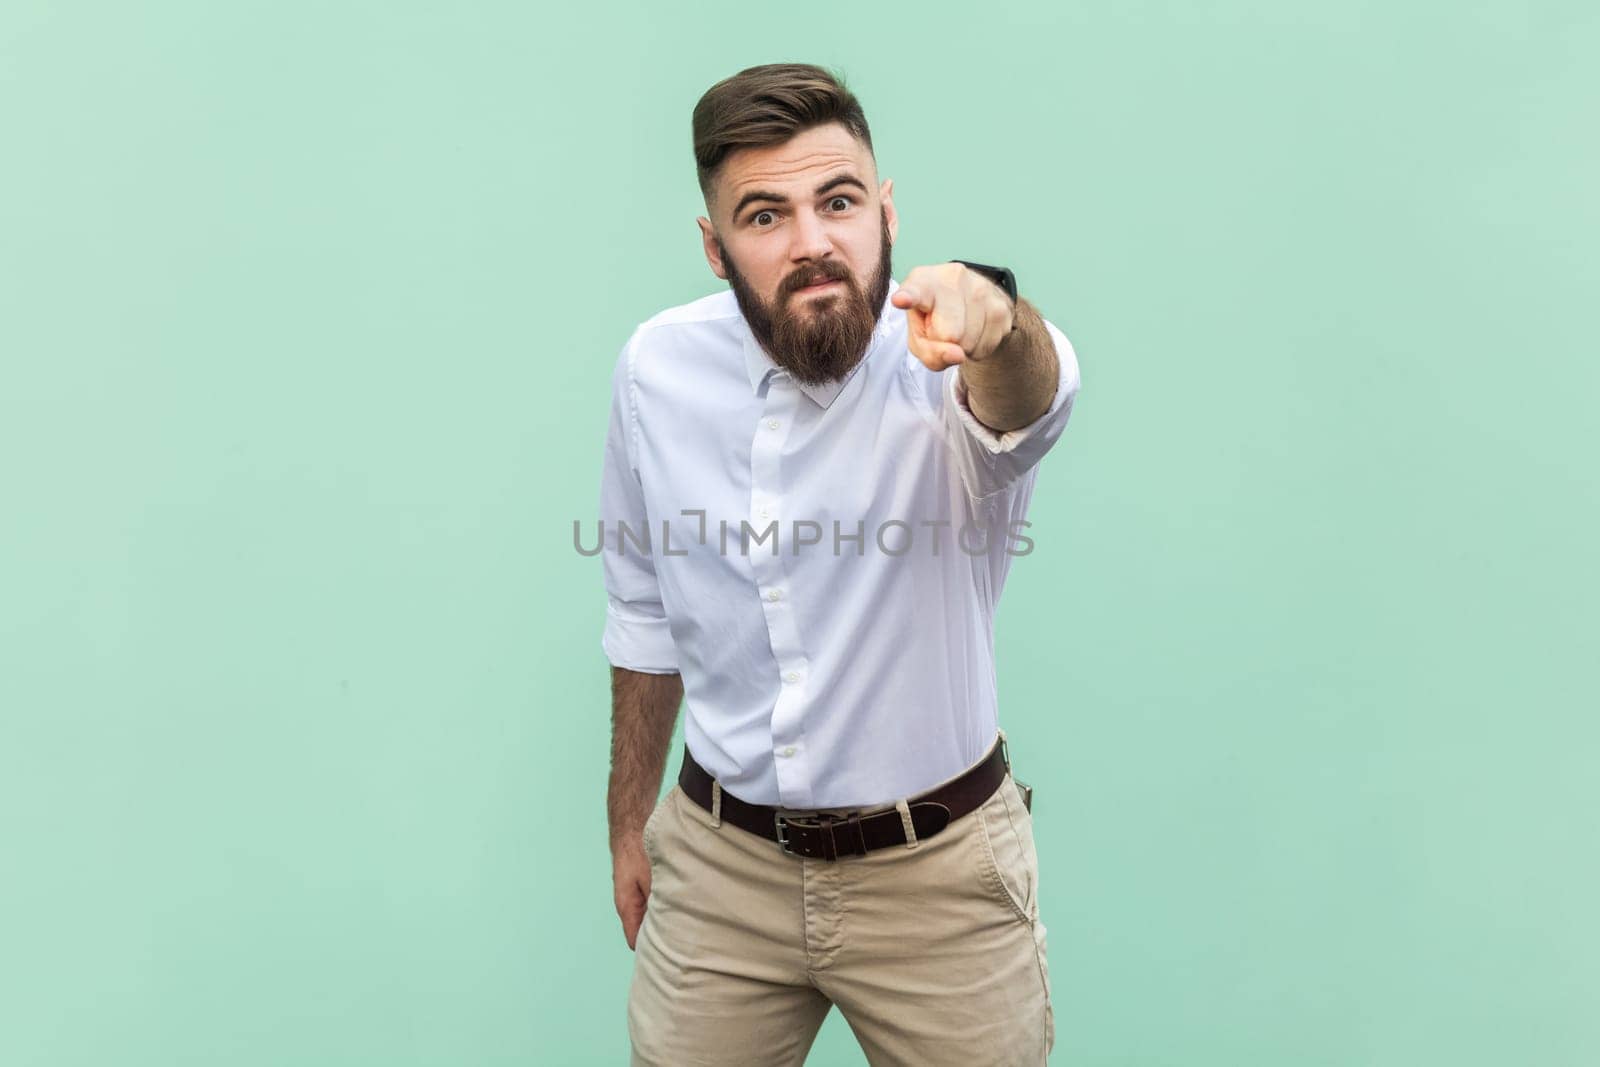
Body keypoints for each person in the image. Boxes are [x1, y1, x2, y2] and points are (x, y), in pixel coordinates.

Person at [598, 62, 1082, 1065]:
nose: (814, 241)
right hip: (720, 865)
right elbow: (643, 606)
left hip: (937, 878)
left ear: (884, 208)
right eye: (765, 215)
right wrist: (627, 821)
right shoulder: (656, 368)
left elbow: (1029, 396)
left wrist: (998, 314)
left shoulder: (946, 362)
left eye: (839, 201)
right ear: (716, 246)